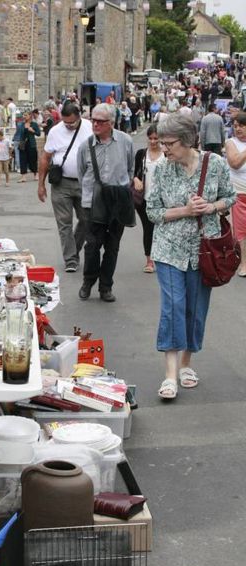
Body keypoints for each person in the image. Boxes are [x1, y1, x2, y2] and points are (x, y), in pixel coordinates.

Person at [146, 114, 236, 401]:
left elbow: (230, 197)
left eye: (169, 143)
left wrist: (210, 207)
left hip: (204, 249)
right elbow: (153, 212)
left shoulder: (216, 164)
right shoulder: (160, 169)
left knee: (195, 309)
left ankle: (187, 363)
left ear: (186, 141)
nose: (164, 148)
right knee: (173, 306)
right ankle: (170, 374)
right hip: (168, 249)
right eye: (161, 143)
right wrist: (185, 211)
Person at [77, 103, 134, 302]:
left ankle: (105, 286)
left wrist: (120, 190)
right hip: (92, 203)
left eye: (100, 121)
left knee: (112, 247)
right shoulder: (86, 145)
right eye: (93, 120)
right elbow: (81, 173)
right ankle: (88, 280)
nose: (95, 124)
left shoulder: (125, 141)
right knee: (92, 245)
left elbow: (130, 169)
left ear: (111, 123)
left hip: (117, 202)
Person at [38, 101, 93, 273]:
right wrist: (41, 185)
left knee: (86, 220)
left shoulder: (89, 127)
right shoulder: (55, 131)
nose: (68, 126)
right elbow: (45, 158)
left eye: (72, 123)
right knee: (64, 223)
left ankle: (74, 250)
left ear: (79, 117)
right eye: (65, 122)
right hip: (61, 184)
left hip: (85, 183)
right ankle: (70, 259)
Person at [131, 124, 164, 273]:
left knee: (162, 229)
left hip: (163, 200)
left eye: (156, 138)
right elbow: (133, 172)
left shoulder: (167, 154)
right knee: (148, 228)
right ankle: (149, 260)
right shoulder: (141, 154)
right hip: (143, 198)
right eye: (150, 138)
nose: (152, 141)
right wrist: (135, 180)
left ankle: (163, 258)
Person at [225, 111, 246, 276]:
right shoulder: (231, 142)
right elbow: (235, 163)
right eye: (236, 125)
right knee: (240, 232)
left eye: (242, 125)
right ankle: (244, 264)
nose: (238, 129)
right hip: (239, 194)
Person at [17, 111, 40, 183]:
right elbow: (19, 134)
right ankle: (23, 177)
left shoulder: (34, 124)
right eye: (24, 115)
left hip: (31, 144)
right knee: (22, 159)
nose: (24, 116)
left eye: (26, 115)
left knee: (33, 159)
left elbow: (38, 133)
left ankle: (36, 174)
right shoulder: (21, 124)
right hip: (23, 143)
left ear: (30, 116)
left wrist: (32, 130)